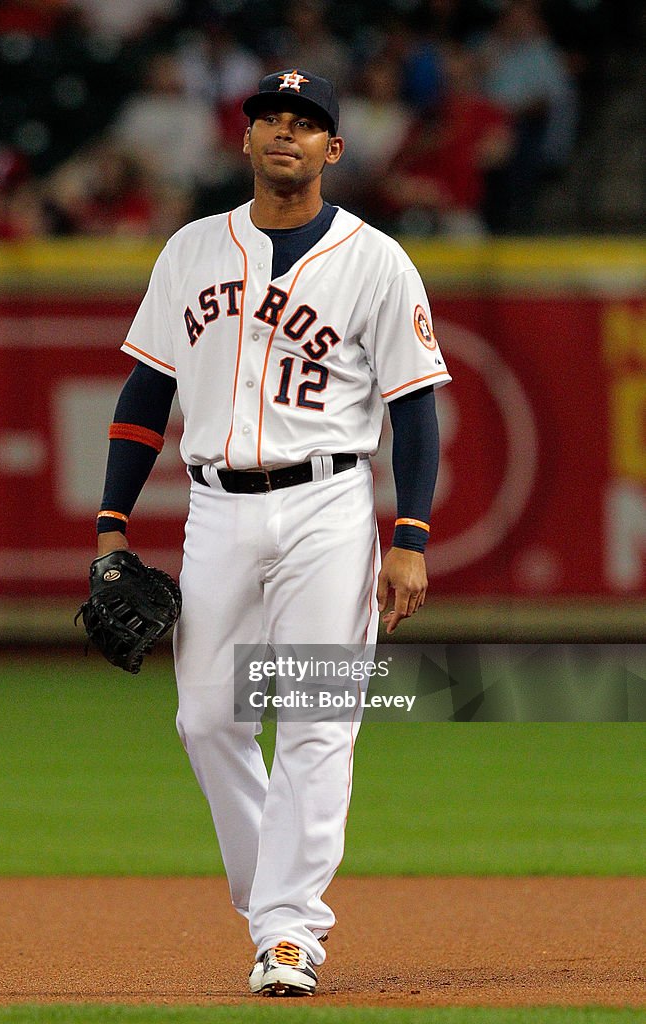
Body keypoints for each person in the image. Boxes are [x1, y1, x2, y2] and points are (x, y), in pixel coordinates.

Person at [92, 69, 451, 996]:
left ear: (334, 149)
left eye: (303, 123)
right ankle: (273, 908)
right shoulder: (190, 252)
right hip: (214, 508)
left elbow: (413, 409)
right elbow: (146, 393)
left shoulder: (375, 261)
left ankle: (289, 933)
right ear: (243, 141)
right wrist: (110, 524)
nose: (282, 134)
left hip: (330, 508)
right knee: (209, 717)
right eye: (267, 121)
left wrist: (407, 534)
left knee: (318, 724)